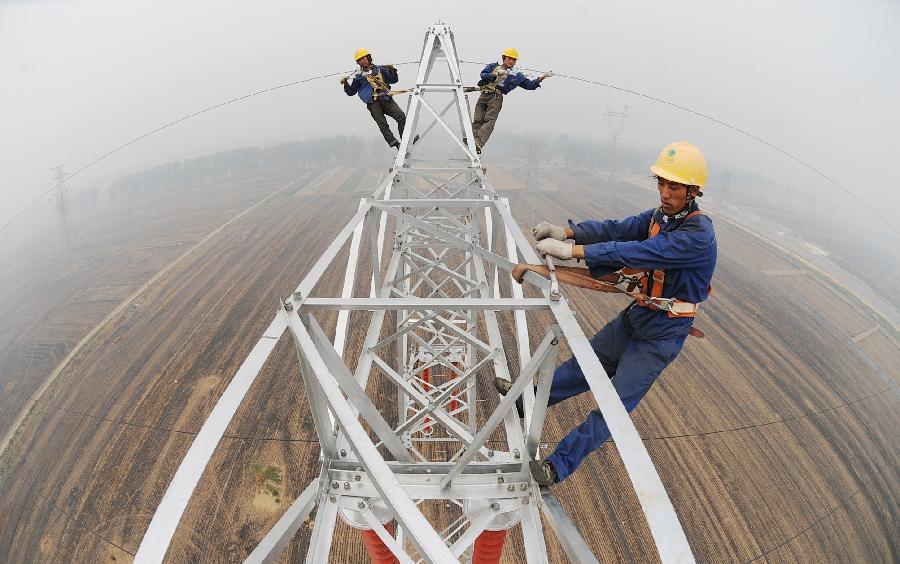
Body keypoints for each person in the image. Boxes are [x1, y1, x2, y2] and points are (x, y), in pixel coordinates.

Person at [501, 141, 717, 485]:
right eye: (661, 183)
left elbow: (641, 251)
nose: (664, 192)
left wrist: (573, 250)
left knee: (613, 407)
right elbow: (619, 228)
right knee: (581, 368)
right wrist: (568, 232)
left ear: (693, 191)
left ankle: (557, 466)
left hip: (662, 335)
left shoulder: (697, 237)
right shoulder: (660, 218)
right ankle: (524, 402)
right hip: (639, 316)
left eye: (673, 186)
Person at [471, 48, 550, 153]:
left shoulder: (516, 75)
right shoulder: (493, 66)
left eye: (514, 60)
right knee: (478, 120)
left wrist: (542, 78)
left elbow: (529, 85)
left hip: (496, 97)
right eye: (509, 58)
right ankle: (472, 140)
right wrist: (495, 74)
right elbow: (483, 74)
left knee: (489, 121)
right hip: (484, 95)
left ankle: (478, 143)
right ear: (504, 58)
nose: (511, 61)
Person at [342, 48, 408, 149]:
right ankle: (396, 144)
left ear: (368, 58)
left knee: (401, 117)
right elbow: (351, 92)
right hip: (373, 103)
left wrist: (392, 70)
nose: (361, 61)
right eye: (359, 60)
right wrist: (345, 83)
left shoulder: (380, 69)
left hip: (386, 98)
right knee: (382, 124)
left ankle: (406, 140)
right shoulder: (358, 77)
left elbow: (394, 80)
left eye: (362, 58)